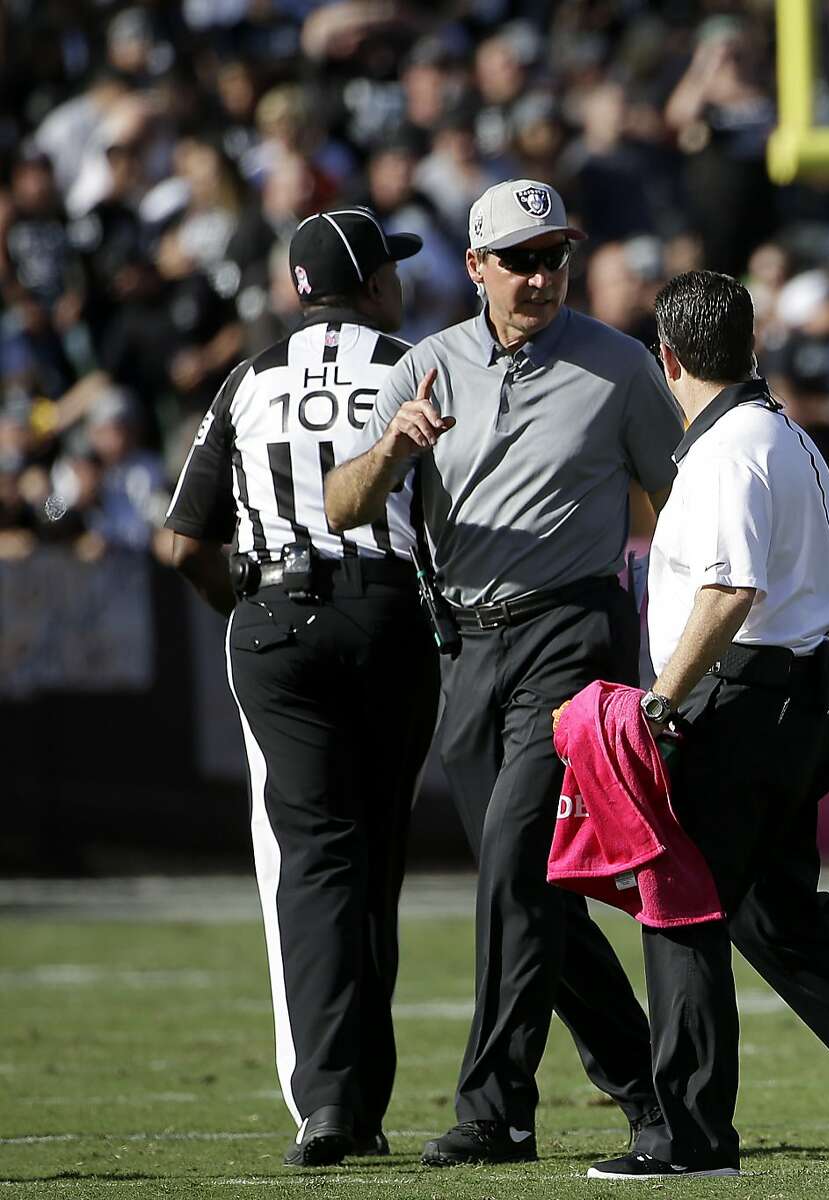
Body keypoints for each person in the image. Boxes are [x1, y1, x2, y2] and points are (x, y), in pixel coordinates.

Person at [585, 270, 829, 1180]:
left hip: (744, 705)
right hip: (796, 702)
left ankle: (691, 1136)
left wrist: (657, 702)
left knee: (678, 909)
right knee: (775, 916)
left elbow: (728, 592)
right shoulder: (784, 434)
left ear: (668, 358)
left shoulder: (728, 450)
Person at [323, 179, 679, 1167]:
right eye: (518, 259)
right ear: (475, 267)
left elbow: (684, 504)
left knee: (519, 860)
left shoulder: (618, 365)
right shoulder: (425, 368)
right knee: (536, 885)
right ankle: (649, 1084)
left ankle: (497, 1108)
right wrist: (393, 447)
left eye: (554, 255)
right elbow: (343, 504)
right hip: (467, 644)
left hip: (573, 630)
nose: (540, 275)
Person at [162, 207, 439, 1167]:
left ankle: (331, 1108)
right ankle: (359, 1099)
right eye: (391, 272)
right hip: (386, 612)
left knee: (315, 856)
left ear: (295, 291)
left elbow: (183, 541)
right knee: (377, 852)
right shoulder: (413, 362)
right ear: (372, 284)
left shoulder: (248, 381)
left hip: (274, 616)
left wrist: (245, 607)